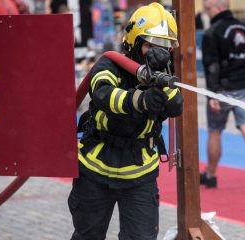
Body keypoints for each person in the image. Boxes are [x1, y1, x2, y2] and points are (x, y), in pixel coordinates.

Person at [68, 2, 183, 240]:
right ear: (134, 41)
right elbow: (102, 94)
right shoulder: (109, 64)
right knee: (87, 236)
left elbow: (176, 105)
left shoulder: (164, 75)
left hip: (140, 174)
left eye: (165, 47)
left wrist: (160, 80)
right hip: (95, 170)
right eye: (151, 45)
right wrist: (140, 99)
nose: (158, 52)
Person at [200, 0, 245, 193]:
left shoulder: (212, 32)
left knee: (215, 131)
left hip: (222, 89)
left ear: (218, 7)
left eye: (208, 9)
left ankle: (211, 175)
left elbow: (211, 66)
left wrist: (212, 94)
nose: (206, 13)